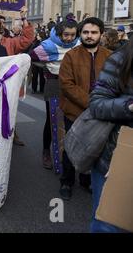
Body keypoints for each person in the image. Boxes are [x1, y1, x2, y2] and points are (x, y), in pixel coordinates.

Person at [58, 17, 112, 200]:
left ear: (101, 34)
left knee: (94, 147)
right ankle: (66, 181)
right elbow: (67, 85)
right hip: (75, 111)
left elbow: (115, 82)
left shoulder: (110, 56)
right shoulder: (71, 56)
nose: (89, 36)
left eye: (94, 32)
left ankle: (85, 180)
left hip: (102, 113)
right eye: (86, 32)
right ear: (81, 34)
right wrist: (91, 103)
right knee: (72, 146)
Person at [89, 36, 133, 233]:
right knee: (109, 225)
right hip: (117, 160)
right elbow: (97, 104)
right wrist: (129, 106)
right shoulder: (121, 60)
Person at [30, 20, 80, 170]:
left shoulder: (78, 44)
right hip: (54, 84)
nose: (70, 38)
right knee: (52, 120)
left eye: (73, 35)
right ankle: (47, 152)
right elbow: (31, 57)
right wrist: (47, 66)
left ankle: (69, 155)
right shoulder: (48, 45)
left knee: (71, 119)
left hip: (73, 85)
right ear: (59, 34)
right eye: (66, 35)